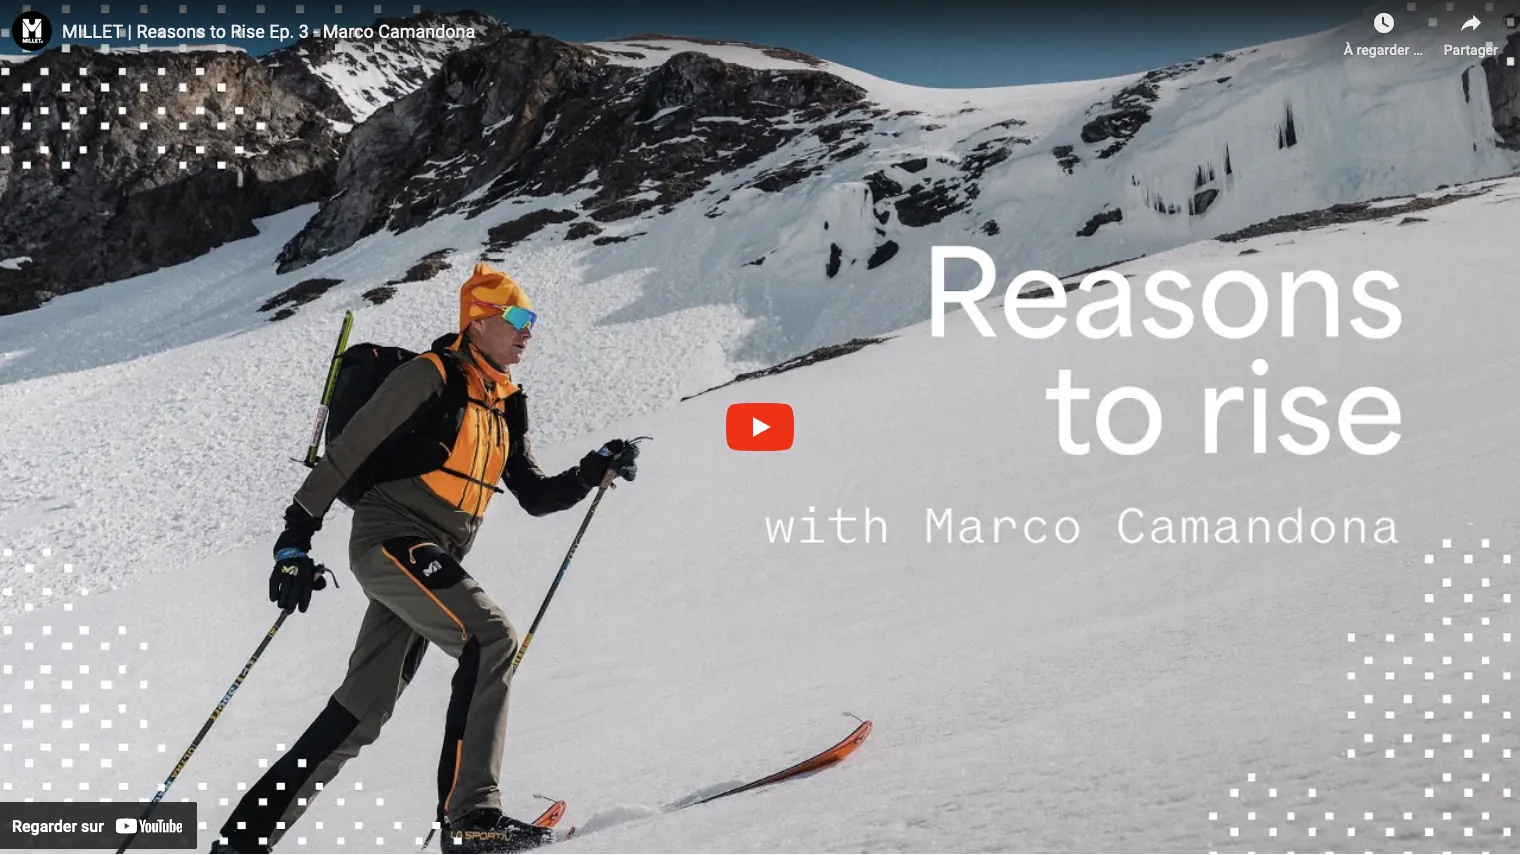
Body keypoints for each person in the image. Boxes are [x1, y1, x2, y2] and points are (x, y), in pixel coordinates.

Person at [213, 263, 640, 854]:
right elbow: (346, 453)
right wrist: (293, 541)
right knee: (491, 637)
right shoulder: (429, 375)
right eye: (517, 319)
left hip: (433, 556)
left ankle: (242, 842)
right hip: (391, 538)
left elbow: (536, 495)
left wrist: (595, 467)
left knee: (361, 711)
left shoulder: (506, 404)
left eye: (532, 321)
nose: (527, 332)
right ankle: (471, 820)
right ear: (478, 321)